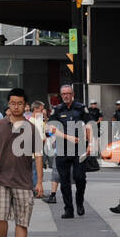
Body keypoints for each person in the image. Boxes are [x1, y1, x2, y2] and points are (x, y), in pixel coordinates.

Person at [0, 88, 45, 237]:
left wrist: (40, 181)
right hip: (1, 179)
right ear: (8, 104)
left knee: (22, 220)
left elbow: (39, 155)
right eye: (13, 103)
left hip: (24, 182)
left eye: (19, 103)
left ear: (25, 105)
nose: (16, 106)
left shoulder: (32, 128)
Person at [49, 84, 91, 218]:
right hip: (62, 149)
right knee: (64, 181)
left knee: (80, 178)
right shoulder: (57, 110)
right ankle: (68, 209)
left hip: (79, 148)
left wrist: (90, 144)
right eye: (63, 94)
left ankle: (79, 202)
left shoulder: (81, 108)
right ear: (61, 96)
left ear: (72, 94)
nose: (66, 96)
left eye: (68, 93)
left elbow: (90, 125)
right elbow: (50, 128)